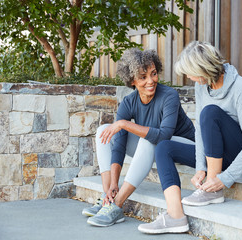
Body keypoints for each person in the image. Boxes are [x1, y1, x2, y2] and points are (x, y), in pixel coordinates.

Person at [138, 41, 242, 234]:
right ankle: (175, 216)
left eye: (190, 72)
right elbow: (199, 130)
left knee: (210, 113)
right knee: (164, 147)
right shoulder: (202, 86)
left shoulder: (239, 86)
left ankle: (212, 190)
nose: (189, 77)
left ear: (203, 69)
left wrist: (224, 179)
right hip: (217, 155)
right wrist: (200, 167)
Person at [82, 48, 195, 228]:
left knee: (147, 138)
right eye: (143, 77)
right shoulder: (129, 102)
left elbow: (164, 135)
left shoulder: (169, 96)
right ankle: (108, 198)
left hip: (184, 147)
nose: (151, 81)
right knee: (104, 130)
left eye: (153, 74)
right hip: (159, 148)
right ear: (132, 80)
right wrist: (113, 183)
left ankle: (117, 204)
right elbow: (119, 145)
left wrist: (124, 124)